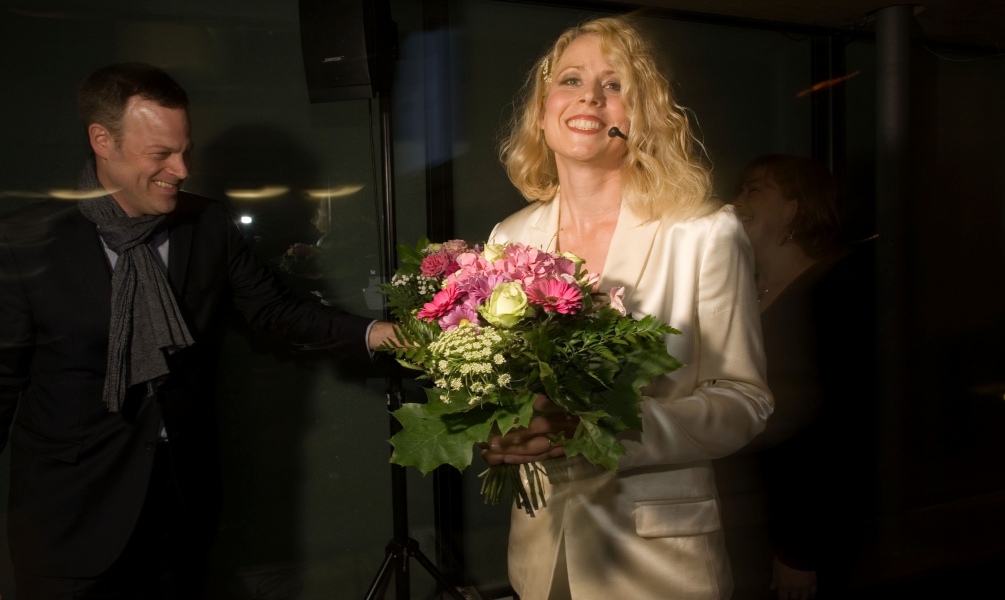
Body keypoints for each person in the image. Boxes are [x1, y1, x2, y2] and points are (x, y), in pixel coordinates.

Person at [0, 62, 395, 598]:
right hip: (69, 511)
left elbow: (276, 311)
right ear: (102, 141)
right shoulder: (26, 242)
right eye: (161, 154)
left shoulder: (206, 224)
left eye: (185, 150)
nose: (182, 169)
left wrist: (379, 334)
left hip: (180, 497)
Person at [480, 17, 773, 599]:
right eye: (571, 80)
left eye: (614, 85)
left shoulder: (704, 232)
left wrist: (609, 432)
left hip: (659, 564)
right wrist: (497, 432)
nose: (590, 96)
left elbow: (745, 400)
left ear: (640, 118)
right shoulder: (507, 238)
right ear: (542, 110)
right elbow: (499, 388)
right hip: (539, 560)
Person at [716, 154, 878, 599]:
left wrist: (799, 549)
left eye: (754, 189)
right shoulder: (740, 293)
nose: (736, 201)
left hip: (795, 528)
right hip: (744, 519)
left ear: (794, 208)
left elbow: (841, 430)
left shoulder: (834, 291)